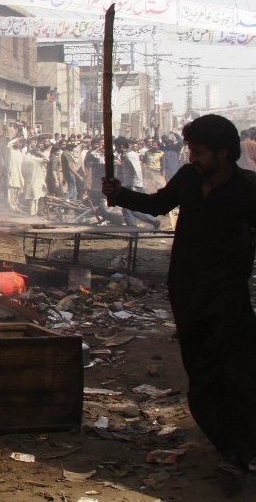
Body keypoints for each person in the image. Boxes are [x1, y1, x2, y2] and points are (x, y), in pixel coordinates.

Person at [102, 114, 256, 478]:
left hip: (228, 292)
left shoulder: (248, 188)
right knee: (201, 370)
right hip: (186, 290)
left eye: (199, 152)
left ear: (224, 153)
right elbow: (158, 205)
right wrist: (119, 193)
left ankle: (239, 449)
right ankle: (225, 442)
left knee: (238, 369)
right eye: (190, 150)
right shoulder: (189, 178)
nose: (191, 158)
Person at [114, 137, 160, 229]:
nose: (116, 149)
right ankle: (153, 222)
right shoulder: (127, 155)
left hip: (133, 186)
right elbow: (129, 169)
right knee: (132, 210)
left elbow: (137, 170)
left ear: (121, 146)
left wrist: (134, 186)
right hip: (129, 185)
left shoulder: (130, 155)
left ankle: (133, 233)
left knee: (127, 210)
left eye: (117, 146)